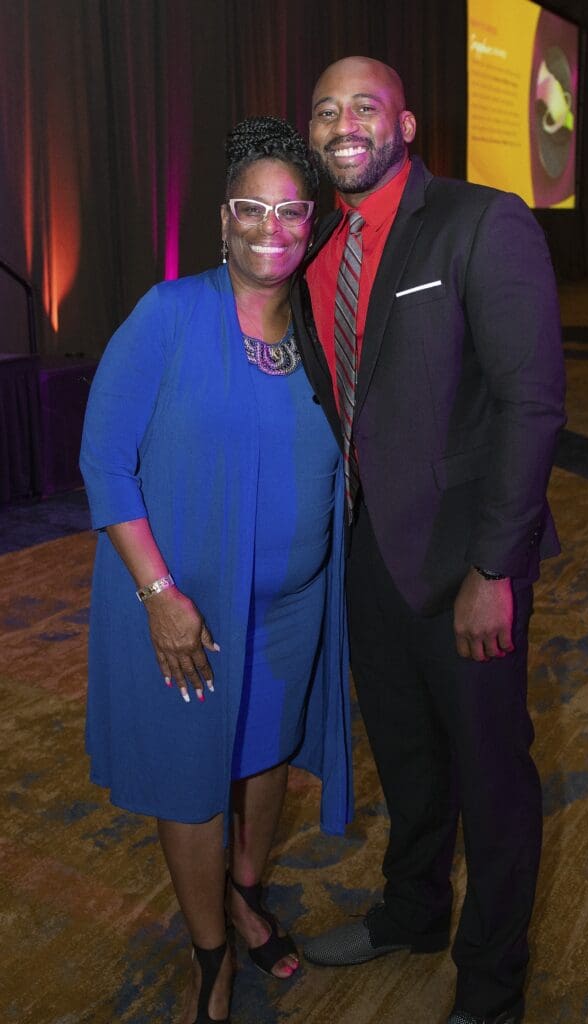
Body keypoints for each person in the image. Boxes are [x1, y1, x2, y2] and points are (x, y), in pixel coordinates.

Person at [291, 57, 566, 1024]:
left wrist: (495, 567)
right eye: (326, 111)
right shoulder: (317, 243)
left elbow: (531, 406)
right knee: (405, 761)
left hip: (467, 565)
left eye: (365, 105)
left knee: (492, 780)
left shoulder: (482, 222)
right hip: (370, 559)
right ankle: (412, 911)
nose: (344, 122)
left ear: (406, 124)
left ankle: (491, 987)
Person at [79, 116, 352, 1024]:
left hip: (291, 610)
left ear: (309, 223)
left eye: (289, 211)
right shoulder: (169, 314)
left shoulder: (319, 328)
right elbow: (105, 462)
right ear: (222, 222)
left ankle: (244, 893)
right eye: (251, 208)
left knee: (265, 761)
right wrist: (158, 595)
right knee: (194, 780)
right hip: (184, 619)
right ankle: (209, 956)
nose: (270, 227)